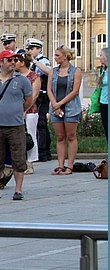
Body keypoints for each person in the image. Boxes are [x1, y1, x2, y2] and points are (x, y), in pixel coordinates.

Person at [0, 50, 35, 200]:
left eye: (14, 60)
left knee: (18, 158)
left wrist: (17, 110)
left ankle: (18, 190)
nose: (13, 63)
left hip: (16, 125)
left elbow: (29, 100)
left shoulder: (22, 80)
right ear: (1, 62)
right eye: (9, 60)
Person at [47, 45, 82, 176]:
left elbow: (75, 91)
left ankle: (70, 166)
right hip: (56, 108)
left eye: (57, 55)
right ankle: (60, 165)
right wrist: (55, 105)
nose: (55, 58)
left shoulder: (75, 71)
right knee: (60, 137)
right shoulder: (53, 71)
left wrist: (60, 103)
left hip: (71, 107)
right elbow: (49, 89)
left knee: (71, 136)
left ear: (65, 56)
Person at [27, 38, 52, 162]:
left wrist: (35, 62)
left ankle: (44, 151)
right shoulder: (34, 62)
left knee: (41, 123)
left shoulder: (43, 61)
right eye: (29, 49)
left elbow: (49, 72)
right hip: (37, 94)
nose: (30, 51)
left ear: (39, 49)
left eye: (32, 49)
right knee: (38, 123)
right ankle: (42, 150)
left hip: (42, 95)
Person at [16, 50, 41, 174]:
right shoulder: (15, 77)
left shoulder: (34, 76)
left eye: (16, 61)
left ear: (22, 62)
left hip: (30, 110)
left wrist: (25, 109)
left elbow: (34, 95)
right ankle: (19, 160)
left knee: (30, 134)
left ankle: (30, 162)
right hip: (16, 110)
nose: (14, 63)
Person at [98, 47, 109, 137]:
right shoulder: (102, 70)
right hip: (104, 103)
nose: (99, 57)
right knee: (106, 130)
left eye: (101, 55)